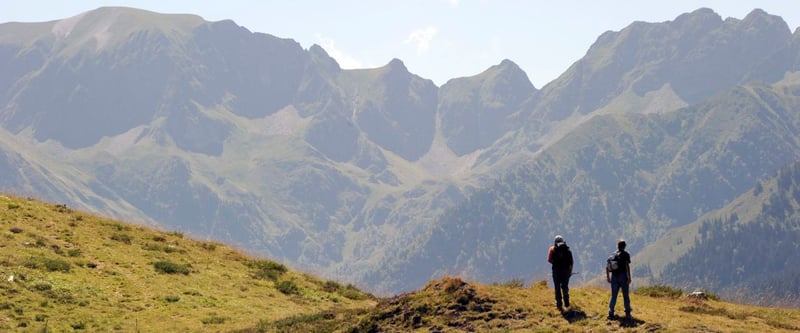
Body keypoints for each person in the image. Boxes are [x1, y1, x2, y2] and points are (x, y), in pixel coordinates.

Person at [606, 239, 632, 319]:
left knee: (614, 295)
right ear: (624, 246)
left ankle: (611, 312)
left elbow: (607, 267)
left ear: (618, 246)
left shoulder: (613, 255)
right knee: (625, 295)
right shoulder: (626, 254)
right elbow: (627, 266)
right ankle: (627, 312)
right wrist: (629, 277)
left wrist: (608, 277)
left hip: (614, 276)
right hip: (623, 276)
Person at [547, 235, 573, 311]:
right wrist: (570, 271)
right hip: (566, 271)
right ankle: (567, 302)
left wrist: (555, 263)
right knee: (565, 286)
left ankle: (559, 305)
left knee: (557, 287)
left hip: (556, 271)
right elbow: (571, 262)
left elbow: (549, 260)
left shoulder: (552, 249)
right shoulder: (567, 250)